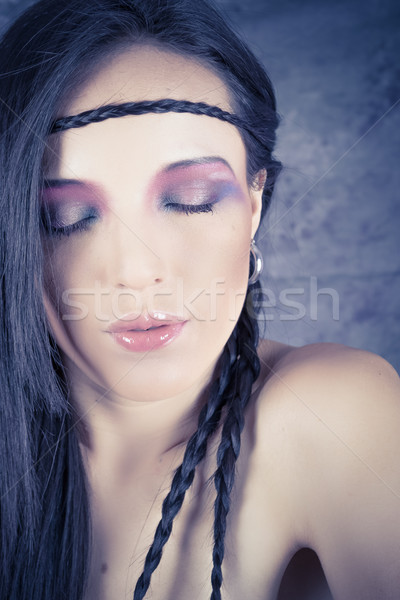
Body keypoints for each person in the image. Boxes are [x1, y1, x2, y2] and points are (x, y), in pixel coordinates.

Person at [0, 0, 399, 599]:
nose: (137, 272)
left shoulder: (334, 414)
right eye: (67, 216)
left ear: (256, 199)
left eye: (191, 199)